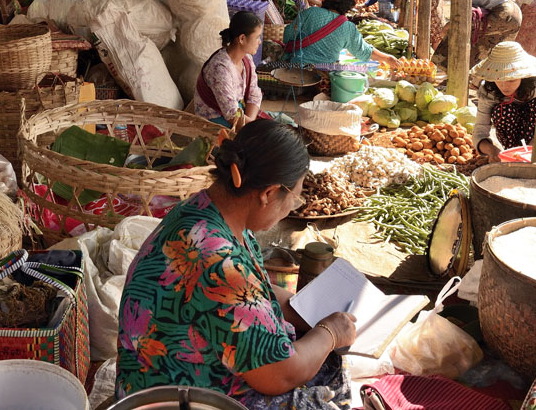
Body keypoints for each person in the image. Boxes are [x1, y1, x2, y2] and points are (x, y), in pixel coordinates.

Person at [116, 119, 357, 407]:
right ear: (268, 193)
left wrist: (310, 310)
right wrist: (330, 332)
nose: (289, 209)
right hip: (172, 400)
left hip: (162, 378)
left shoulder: (208, 211)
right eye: (293, 199)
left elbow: (257, 295)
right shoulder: (220, 261)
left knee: (322, 357)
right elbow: (281, 375)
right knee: (321, 379)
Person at [426, 0, 522, 70]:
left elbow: (460, 18)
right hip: (515, 13)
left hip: (504, 13)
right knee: (493, 49)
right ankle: (476, 74)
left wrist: (446, 28)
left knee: (458, 32)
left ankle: (452, 69)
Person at [283, 0, 397, 67]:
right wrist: (387, 58)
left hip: (297, 70)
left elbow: (287, 36)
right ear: (348, 7)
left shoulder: (310, 12)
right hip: (324, 77)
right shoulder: (348, 28)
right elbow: (364, 51)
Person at [470, 42, 536, 163]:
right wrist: (492, 151)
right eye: (499, 80)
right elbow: (480, 130)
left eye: (511, 80)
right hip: (511, 138)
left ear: (523, 77)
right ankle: (512, 152)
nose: (504, 86)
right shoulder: (488, 90)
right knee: (504, 110)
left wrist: (533, 147)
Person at [194, 12, 265, 129]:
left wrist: (251, 123)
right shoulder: (220, 68)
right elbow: (231, 114)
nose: (260, 41)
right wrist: (253, 128)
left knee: (283, 124)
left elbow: (254, 94)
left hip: (238, 112)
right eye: (257, 37)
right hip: (215, 119)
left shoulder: (246, 59)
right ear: (242, 39)